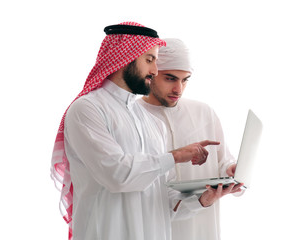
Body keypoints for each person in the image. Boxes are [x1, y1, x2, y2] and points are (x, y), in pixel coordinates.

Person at [50, 23, 222, 240]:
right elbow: (117, 175)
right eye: (149, 60)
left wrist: (203, 200)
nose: (154, 70)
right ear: (125, 58)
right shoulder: (87, 109)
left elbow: (162, 201)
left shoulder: (151, 122)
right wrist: (176, 156)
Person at [138, 38, 244, 240]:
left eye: (185, 79)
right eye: (170, 78)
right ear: (151, 73)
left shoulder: (204, 112)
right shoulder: (133, 116)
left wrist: (231, 169)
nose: (179, 89)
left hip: (202, 226)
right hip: (155, 227)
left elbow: (223, 161)